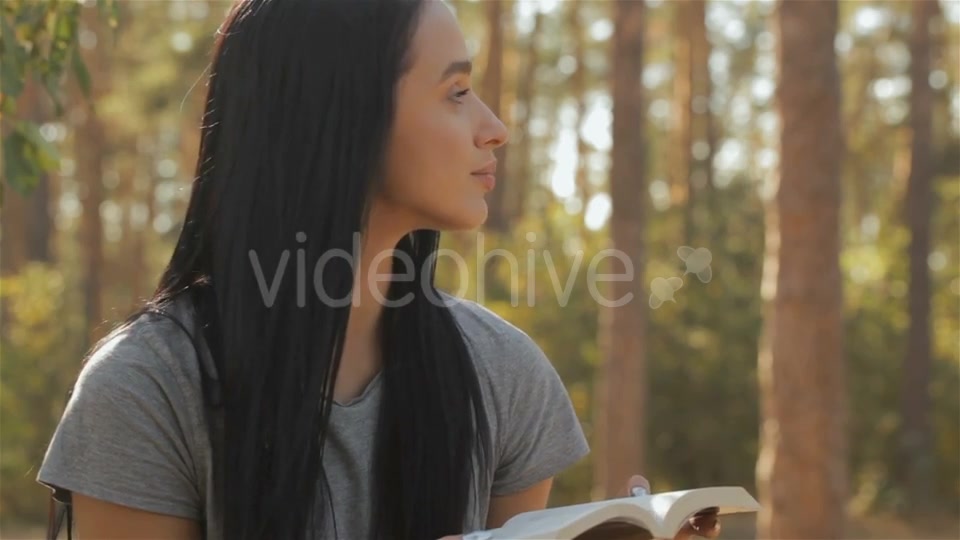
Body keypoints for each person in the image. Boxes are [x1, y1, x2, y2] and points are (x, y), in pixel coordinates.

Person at [37, 1, 720, 539]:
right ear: (343, 116)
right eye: (456, 92)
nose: (495, 127)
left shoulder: (502, 373)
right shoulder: (148, 387)